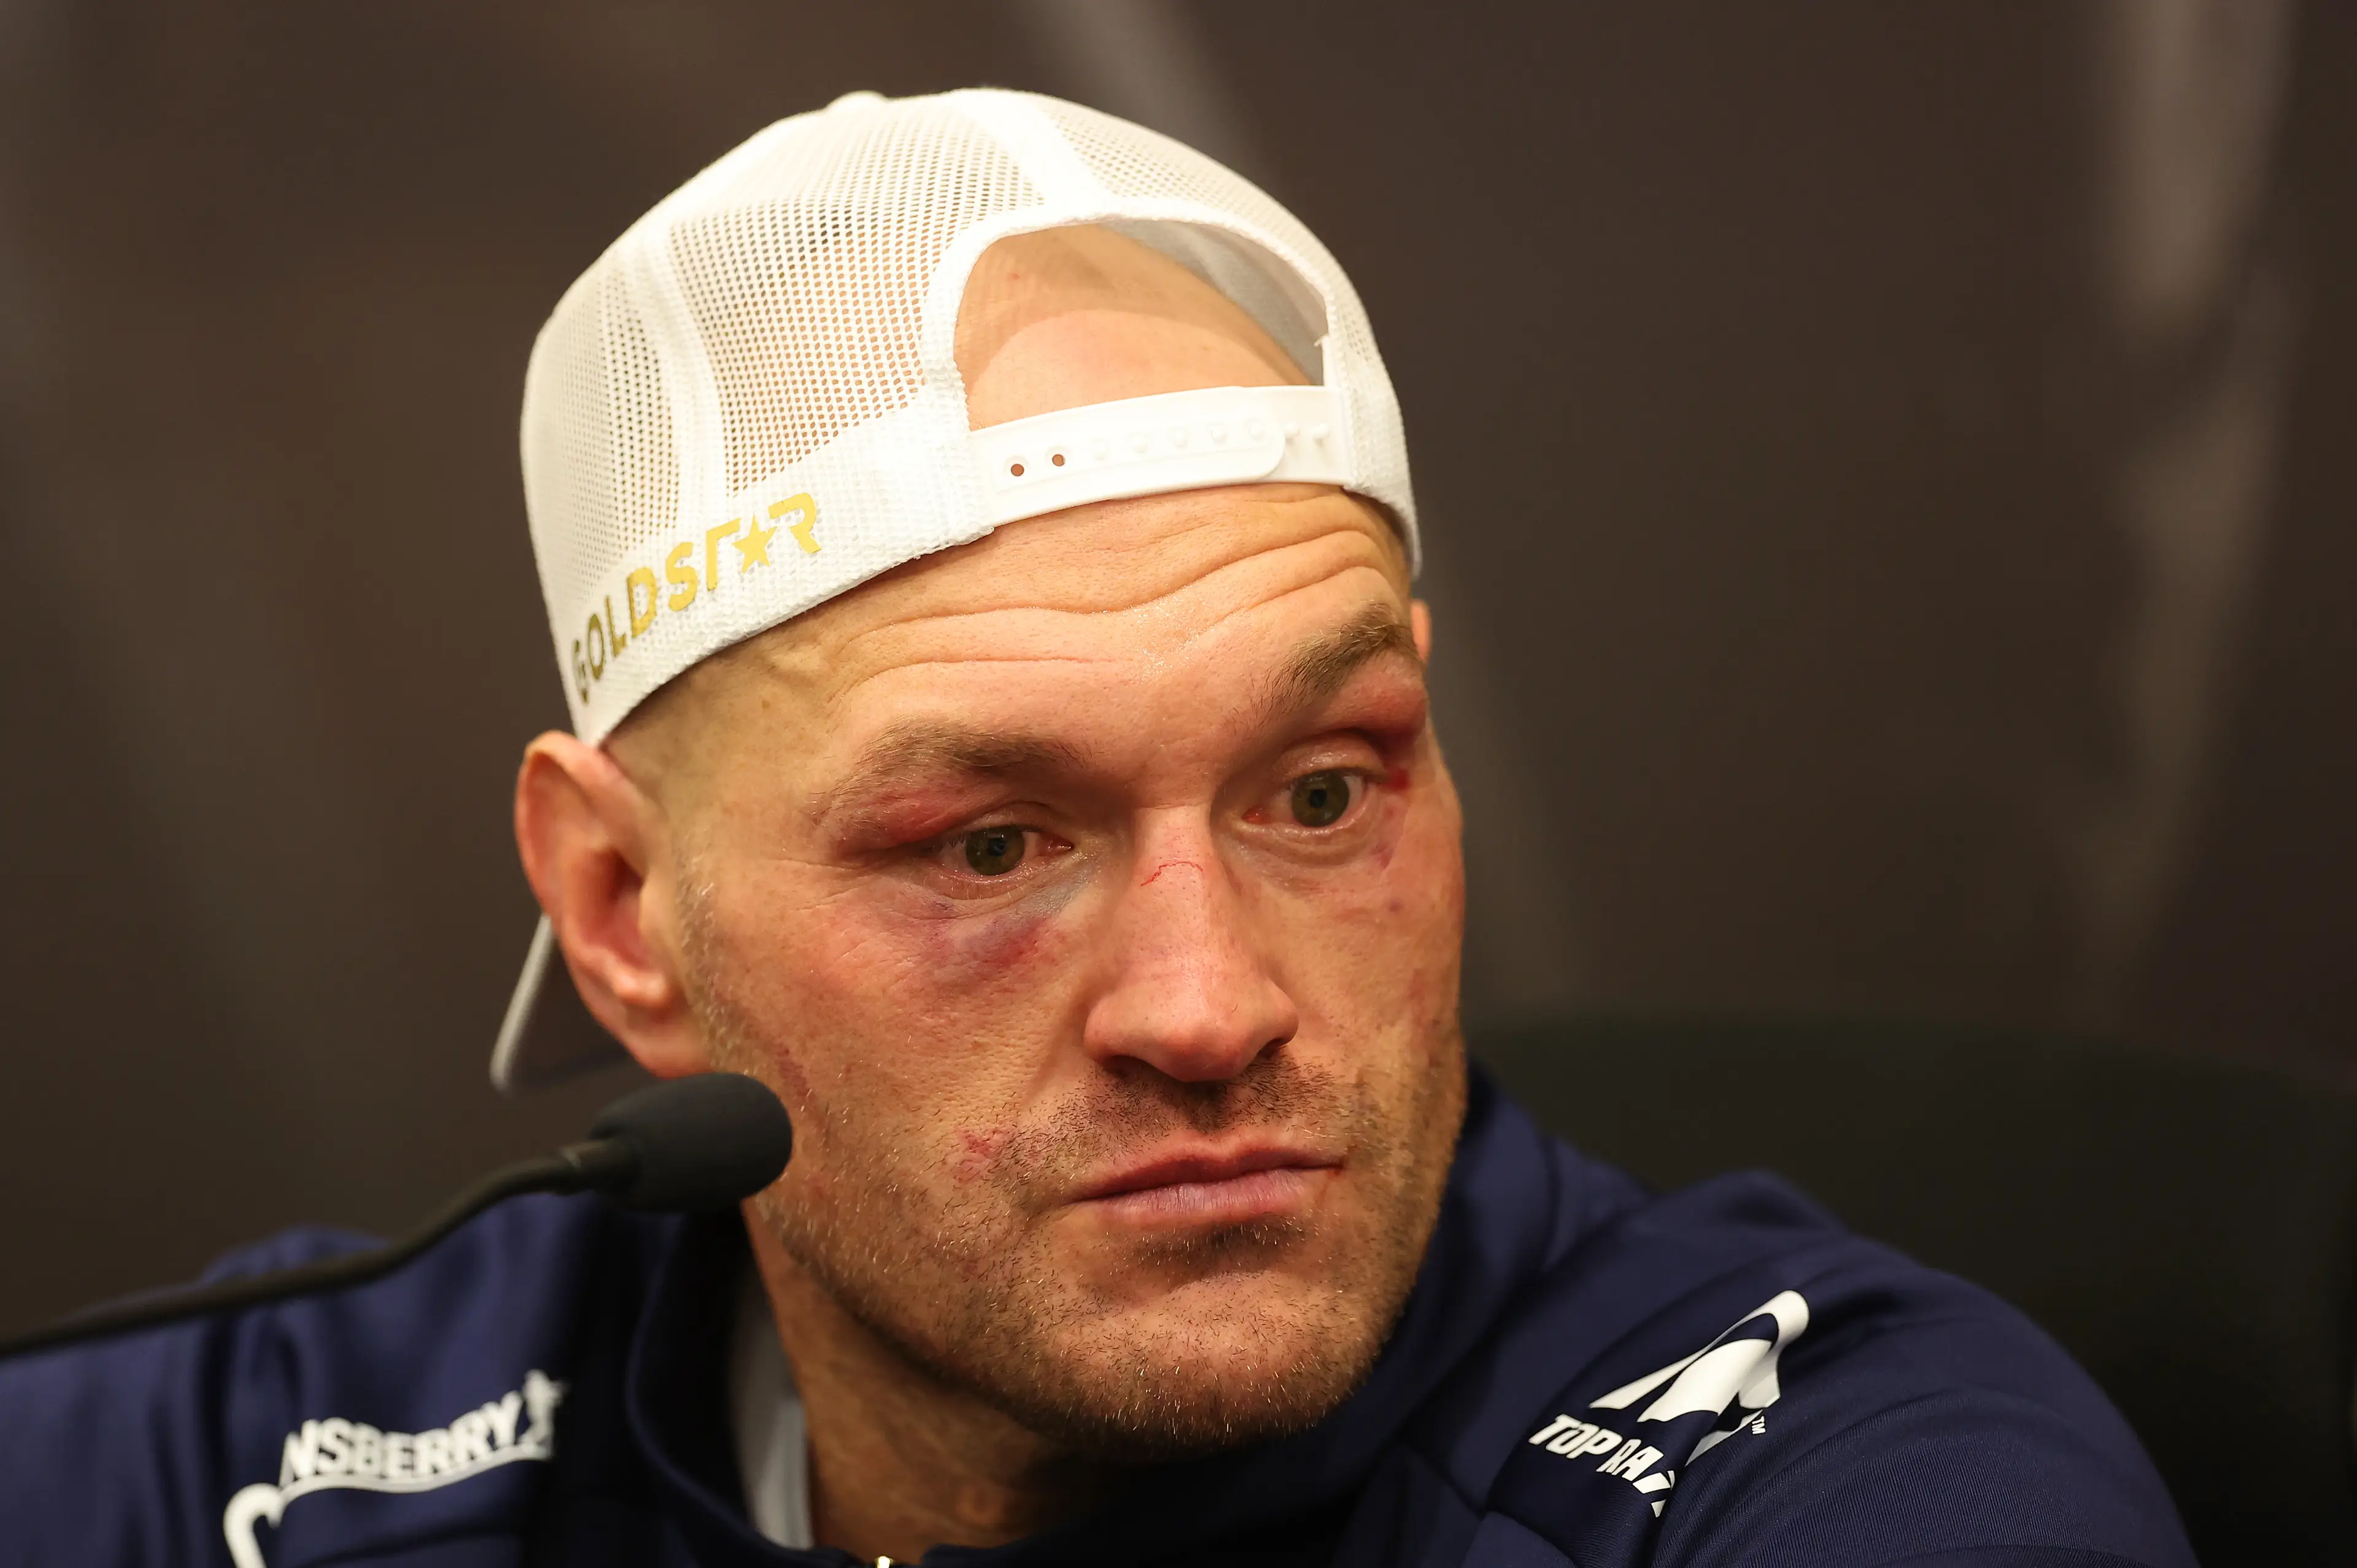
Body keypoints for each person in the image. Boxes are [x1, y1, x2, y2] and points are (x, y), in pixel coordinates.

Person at [0, 89, 2193, 1568]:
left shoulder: (1840, 1474)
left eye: (1322, 790)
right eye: (988, 846)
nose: (1212, 1004)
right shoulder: (320, 1441)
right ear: (623, 913)